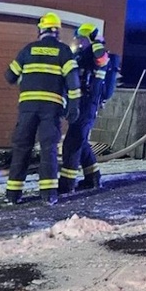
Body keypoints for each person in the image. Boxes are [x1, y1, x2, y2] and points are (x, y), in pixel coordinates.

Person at [3, 12, 80, 204]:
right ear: (57, 32)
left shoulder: (28, 50)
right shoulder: (64, 51)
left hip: (27, 107)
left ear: (41, 30)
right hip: (51, 109)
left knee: (22, 147)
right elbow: (73, 82)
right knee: (48, 148)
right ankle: (48, 194)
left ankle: (13, 194)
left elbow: (9, 76)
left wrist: (27, 77)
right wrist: (73, 106)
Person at [59, 23, 115, 193]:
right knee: (81, 142)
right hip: (81, 104)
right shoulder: (83, 55)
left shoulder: (97, 53)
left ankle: (67, 183)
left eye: (82, 39)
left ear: (89, 38)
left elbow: (102, 59)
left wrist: (95, 41)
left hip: (88, 104)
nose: (79, 42)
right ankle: (93, 178)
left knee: (72, 143)